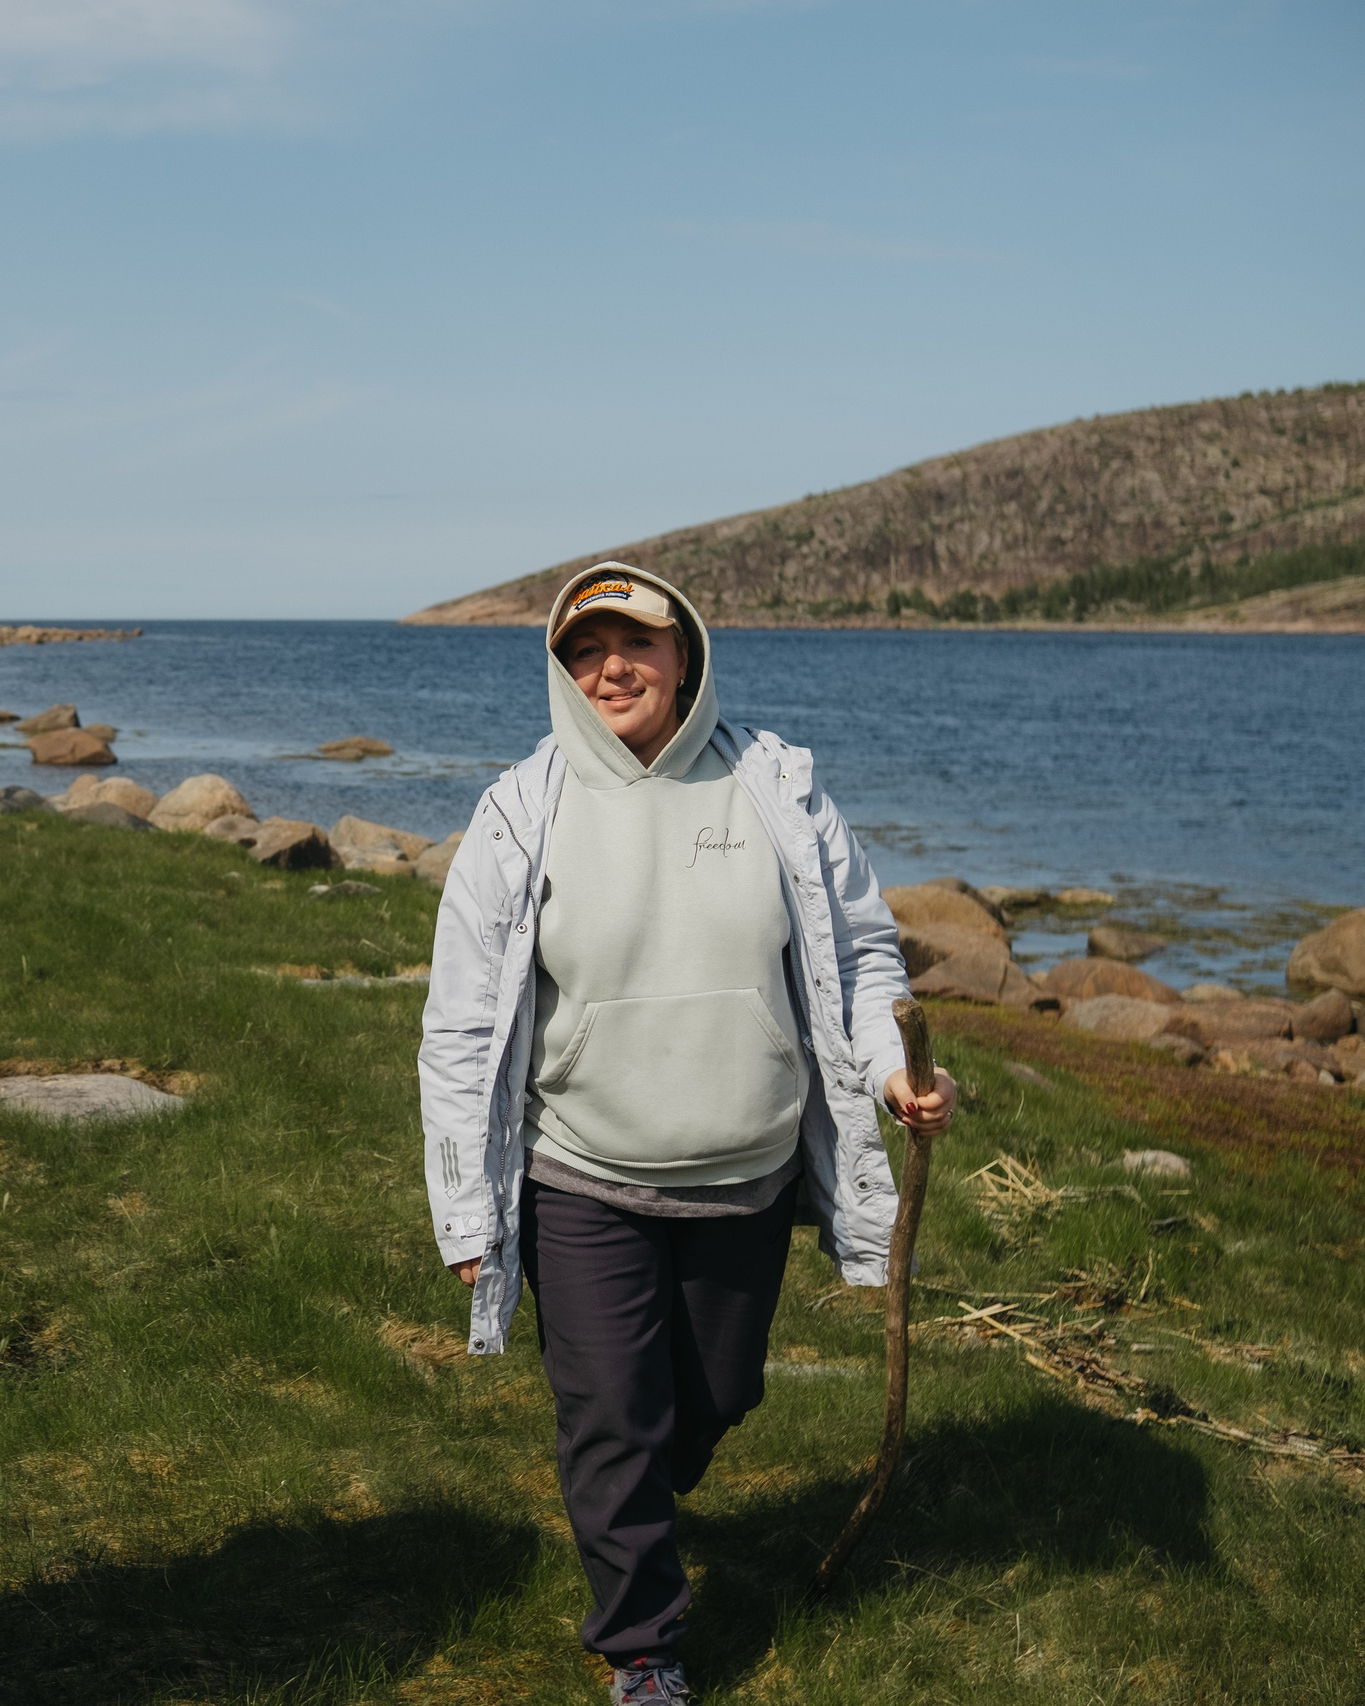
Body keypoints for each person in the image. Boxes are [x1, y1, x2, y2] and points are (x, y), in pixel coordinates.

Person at [416, 562, 953, 1705]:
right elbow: (460, 1023)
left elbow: (860, 952)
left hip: (744, 1173)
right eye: (583, 649)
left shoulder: (775, 786)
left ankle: (636, 1492)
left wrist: (891, 1071)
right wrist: (467, 1209)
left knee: (714, 1397)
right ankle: (643, 1648)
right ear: (560, 669)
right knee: (611, 1413)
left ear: (685, 653)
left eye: (635, 643)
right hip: (580, 1170)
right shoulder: (521, 809)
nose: (609, 667)